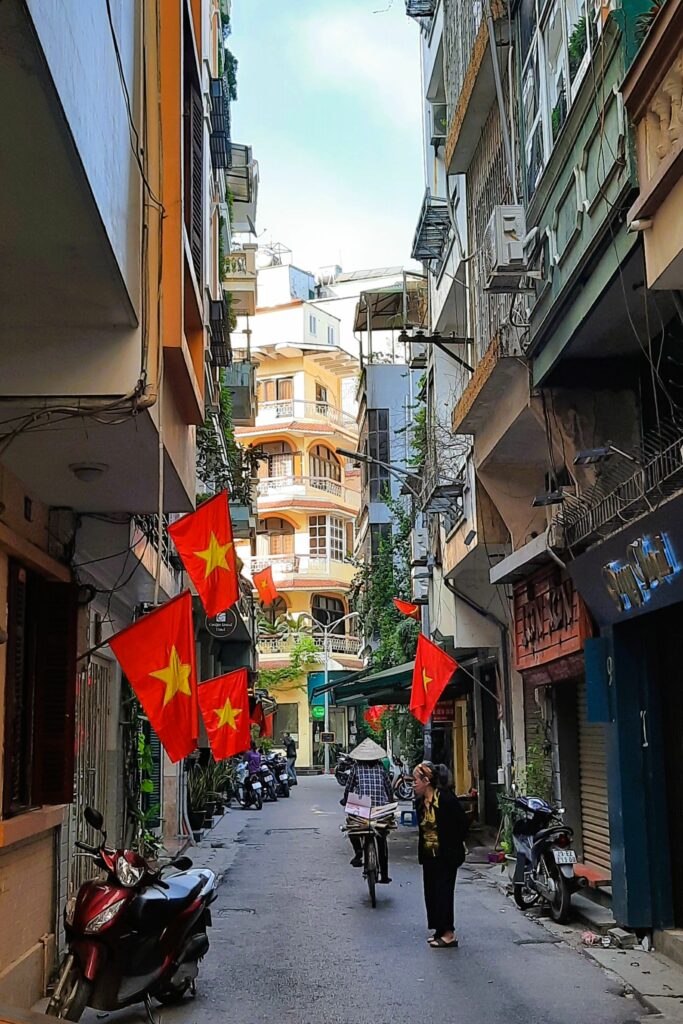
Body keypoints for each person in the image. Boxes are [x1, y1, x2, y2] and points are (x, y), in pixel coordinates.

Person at [413, 761, 469, 949]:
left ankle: (448, 933)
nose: (413, 784)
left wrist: (454, 845)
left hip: (447, 855)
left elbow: (462, 824)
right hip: (429, 854)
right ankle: (438, 929)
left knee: (444, 893)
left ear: (426, 781)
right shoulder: (420, 803)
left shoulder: (445, 800)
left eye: (416, 780)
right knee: (432, 893)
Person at [341, 738, 394, 884]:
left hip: (361, 806)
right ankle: (384, 875)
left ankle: (358, 853)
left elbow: (349, 787)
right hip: (380, 808)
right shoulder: (381, 767)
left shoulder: (356, 768)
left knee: (351, 827)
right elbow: (388, 788)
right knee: (382, 839)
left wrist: (345, 800)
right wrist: (391, 802)